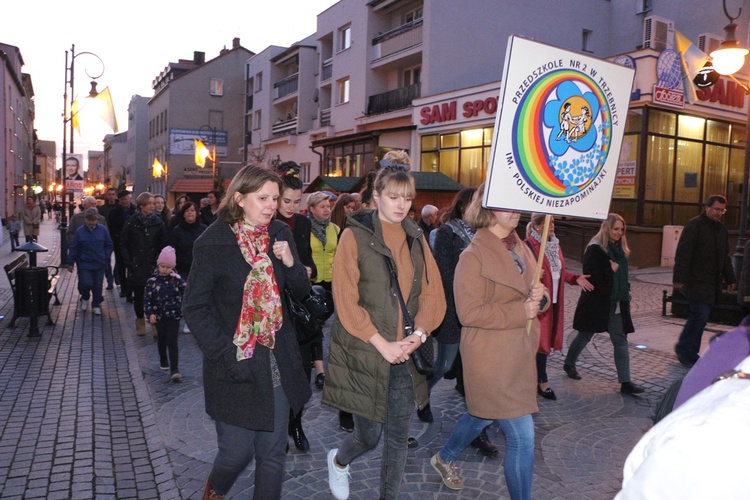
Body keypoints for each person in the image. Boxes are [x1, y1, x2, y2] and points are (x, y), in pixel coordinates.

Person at [183, 164, 311, 499]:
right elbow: (195, 308)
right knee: (235, 453)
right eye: (263, 198)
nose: (272, 205)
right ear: (240, 198)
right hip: (236, 363)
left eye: (275, 198)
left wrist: (290, 265)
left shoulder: (279, 234)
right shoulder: (213, 242)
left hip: (277, 361)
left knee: (272, 453)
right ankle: (215, 490)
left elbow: (300, 291)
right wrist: (227, 356)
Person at [323, 162, 446, 500]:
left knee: (397, 437)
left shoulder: (417, 238)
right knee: (369, 436)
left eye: (407, 197)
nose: (401, 204)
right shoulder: (355, 236)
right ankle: (339, 461)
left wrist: (418, 336)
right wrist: (382, 343)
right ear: (376, 196)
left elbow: (433, 294)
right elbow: (346, 300)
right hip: (365, 353)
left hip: (405, 355)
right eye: (393, 196)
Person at [429, 183, 545, 498]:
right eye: (507, 204)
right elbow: (469, 313)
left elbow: (535, 290)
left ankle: (445, 457)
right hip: (491, 358)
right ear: (488, 209)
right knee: (522, 437)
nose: (516, 210)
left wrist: (541, 298)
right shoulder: (473, 254)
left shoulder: (518, 245)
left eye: (517, 204)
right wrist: (522, 310)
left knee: (482, 414)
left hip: (518, 353)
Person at [426, 187, 501, 455]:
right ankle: (420, 396)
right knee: (444, 363)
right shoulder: (448, 232)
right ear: (463, 206)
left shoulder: (486, 233)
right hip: (454, 311)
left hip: (480, 314)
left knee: (475, 372)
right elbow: (443, 273)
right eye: (476, 204)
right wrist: (456, 308)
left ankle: (479, 430)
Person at [563, 213, 645, 394]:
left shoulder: (620, 250)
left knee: (620, 340)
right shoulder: (595, 249)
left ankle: (626, 382)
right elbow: (591, 278)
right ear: (607, 228)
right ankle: (569, 363)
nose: (619, 233)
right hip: (597, 303)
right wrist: (610, 270)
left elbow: (620, 276)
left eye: (622, 229)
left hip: (616, 302)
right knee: (584, 336)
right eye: (616, 229)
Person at [275, 161, 321, 453]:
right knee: (278, 375)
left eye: (296, 202)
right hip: (275, 310)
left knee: (303, 374)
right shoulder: (267, 224)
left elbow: (311, 264)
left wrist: (307, 270)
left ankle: (296, 423)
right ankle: (280, 430)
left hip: (300, 311)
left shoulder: (303, 224)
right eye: (286, 201)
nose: (291, 207)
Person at [524, 213, 592, 400]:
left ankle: (535, 379)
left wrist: (574, 278)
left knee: (543, 341)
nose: (552, 225)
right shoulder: (529, 245)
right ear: (537, 226)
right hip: (539, 302)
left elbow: (559, 272)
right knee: (541, 342)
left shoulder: (555, 245)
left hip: (554, 302)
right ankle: (541, 381)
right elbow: (521, 270)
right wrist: (534, 275)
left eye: (553, 221)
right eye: (547, 222)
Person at [673, 195, 736, 367]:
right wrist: (678, 279)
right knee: (699, 315)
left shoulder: (721, 230)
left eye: (722, 210)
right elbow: (683, 253)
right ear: (707, 207)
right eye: (716, 209)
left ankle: (685, 348)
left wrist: (730, 277)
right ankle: (686, 351)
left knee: (700, 316)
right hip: (695, 281)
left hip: (711, 283)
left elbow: (725, 257)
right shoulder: (695, 225)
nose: (719, 213)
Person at [120, 192, 167, 336]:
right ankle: (140, 321)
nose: (153, 206)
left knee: (156, 296)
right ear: (141, 205)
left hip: (154, 264)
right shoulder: (132, 222)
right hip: (138, 264)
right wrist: (130, 262)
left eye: (154, 203)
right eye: (150, 204)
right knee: (139, 296)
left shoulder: (158, 222)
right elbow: (124, 243)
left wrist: (161, 261)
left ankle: (154, 323)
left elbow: (163, 243)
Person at [144, 246, 186, 383]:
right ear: (158, 265)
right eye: (163, 266)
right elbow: (147, 299)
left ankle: (175, 369)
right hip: (159, 316)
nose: (165, 270)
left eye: (168, 267)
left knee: (172, 341)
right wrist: (150, 313)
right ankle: (163, 358)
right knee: (162, 339)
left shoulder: (177, 280)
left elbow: (185, 292)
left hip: (174, 315)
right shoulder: (152, 281)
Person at [66, 208, 113, 316]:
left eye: (93, 220)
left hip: (99, 261)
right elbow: (74, 247)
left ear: (97, 220)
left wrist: (106, 257)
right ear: (85, 220)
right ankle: (85, 297)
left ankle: (96, 305)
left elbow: (108, 244)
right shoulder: (80, 231)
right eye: (89, 220)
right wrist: (70, 262)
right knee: (86, 283)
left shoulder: (103, 230)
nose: (91, 223)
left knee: (97, 284)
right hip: (84, 262)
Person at [167, 202, 206, 281]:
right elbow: (172, 250)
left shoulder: (204, 229)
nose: (190, 213)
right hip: (182, 270)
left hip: (200, 269)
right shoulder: (176, 231)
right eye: (187, 211)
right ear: (183, 214)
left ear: (197, 213)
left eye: (192, 210)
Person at [109, 190, 136, 299]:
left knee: (132, 267)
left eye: (125, 199)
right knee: (121, 266)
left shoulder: (136, 211)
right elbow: (111, 227)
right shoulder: (114, 212)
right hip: (119, 243)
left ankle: (131, 289)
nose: (124, 201)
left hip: (133, 244)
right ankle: (124, 289)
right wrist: (118, 236)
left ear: (130, 198)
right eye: (121, 200)